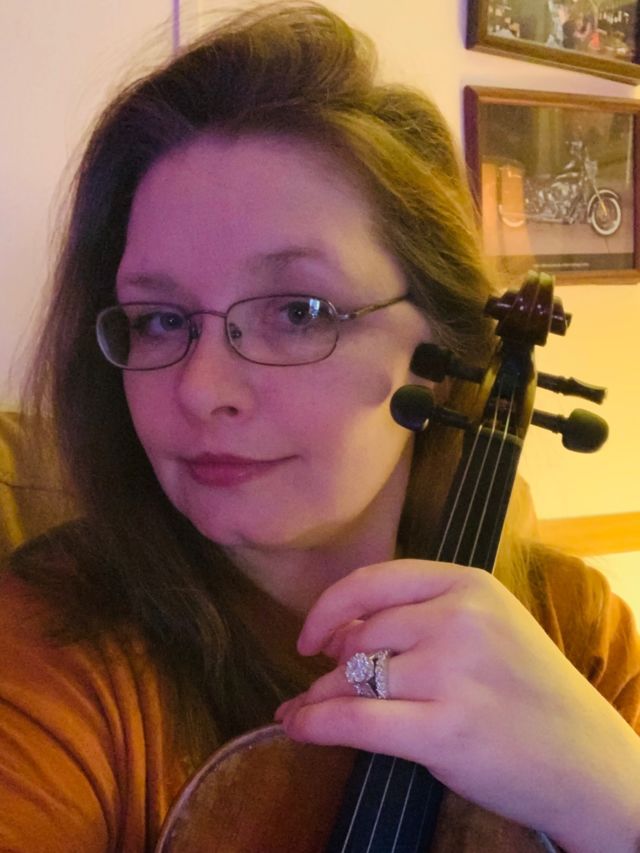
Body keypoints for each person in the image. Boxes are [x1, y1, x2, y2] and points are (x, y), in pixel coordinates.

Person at [1, 2, 639, 850]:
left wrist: (617, 792)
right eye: (158, 319)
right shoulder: (53, 647)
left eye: (298, 311)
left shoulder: (575, 631)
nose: (201, 389)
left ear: (438, 348)